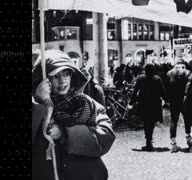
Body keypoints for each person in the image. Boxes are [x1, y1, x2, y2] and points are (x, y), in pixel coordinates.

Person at [32, 50, 115, 180]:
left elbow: (105, 137)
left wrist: (65, 133)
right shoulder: (36, 107)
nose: (62, 81)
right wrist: (43, 105)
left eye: (66, 74)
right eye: (55, 76)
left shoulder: (86, 103)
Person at [128, 63, 167, 151]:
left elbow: (135, 91)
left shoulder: (140, 78)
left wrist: (131, 102)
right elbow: (162, 91)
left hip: (143, 103)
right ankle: (149, 140)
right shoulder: (157, 78)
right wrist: (167, 100)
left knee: (146, 122)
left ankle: (148, 140)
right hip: (154, 103)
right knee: (152, 122)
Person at [166, 59, 192, 152]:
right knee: (187, 119)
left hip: (174, 101)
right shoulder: (187, 73)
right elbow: (191, 87)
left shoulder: (169, 74)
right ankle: (189, 141)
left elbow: (166, 88)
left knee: (173, 121)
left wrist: (168, 100)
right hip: (184, 100)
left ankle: (173, 144)